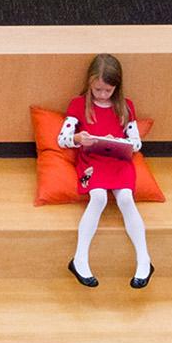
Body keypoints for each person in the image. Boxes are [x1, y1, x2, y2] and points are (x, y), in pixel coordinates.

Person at [59, 53, 155, 289]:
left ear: (116, 87)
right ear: (89, 84)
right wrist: (79, 138)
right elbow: (62, 139)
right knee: (99, 196)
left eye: (107, 91)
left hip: (118, 161)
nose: (102, 94)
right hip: (91, 160)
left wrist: (122, 142)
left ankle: (144, 259)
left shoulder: (126, 107)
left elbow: (136, 142)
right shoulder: (78, 105)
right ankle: (80, 258)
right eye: (97, 90)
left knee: (126, 198)